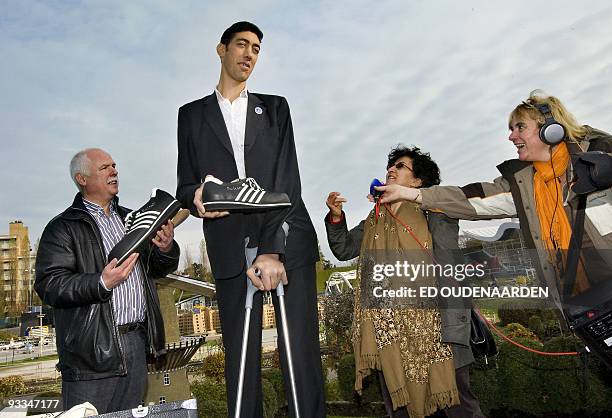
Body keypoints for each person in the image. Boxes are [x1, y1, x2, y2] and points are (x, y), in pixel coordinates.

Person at [175, 22, 325, 417]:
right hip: (227, 244)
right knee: (240, 361)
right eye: (242, 45)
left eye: (257, 49)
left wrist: (273, 249)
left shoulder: (275, 108)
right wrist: (195, 200)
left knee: (300, 355)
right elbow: (185, 183)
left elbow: (286, 180)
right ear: (221, 50)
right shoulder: (190, 115)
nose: (249, 54)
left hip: (286, 237)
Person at [376, 91, 612, 311]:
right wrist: (411, 194)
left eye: (520, 127)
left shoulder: (601, 155)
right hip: (578, 303)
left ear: (550, 129)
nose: (511, 136)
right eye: (511, 129)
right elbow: (468, 198)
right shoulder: (522, 184)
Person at [325, 146, 484, 418]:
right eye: (390, 166)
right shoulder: (376, 216)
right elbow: (344, 249)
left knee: (458, 408)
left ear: (418, 181)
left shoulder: (434, 211)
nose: (391, 169)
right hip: (389, 333)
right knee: (399, 408)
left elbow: (449, 262)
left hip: (436, 329)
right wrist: (337, 217)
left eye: (400, 166)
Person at [35, 148, 179, 413]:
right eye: (104, 168)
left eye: (114, 166)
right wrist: (101, 283)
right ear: (82, 178)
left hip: (136, 344)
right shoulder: (62, 227)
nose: (114, 171)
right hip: (91, 354)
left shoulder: (132, 219)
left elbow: (158, 269)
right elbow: (50, 285)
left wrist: (166, 248)